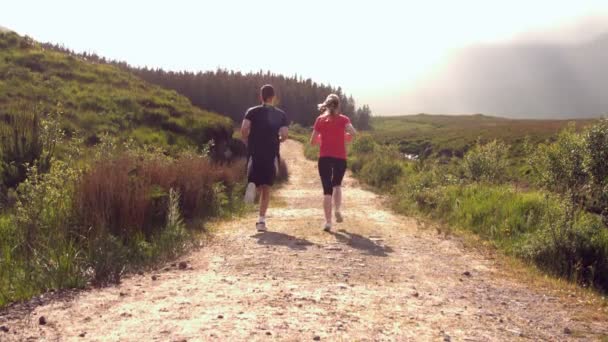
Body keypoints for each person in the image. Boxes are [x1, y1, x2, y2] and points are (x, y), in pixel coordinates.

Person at [241, 84, 289, 232]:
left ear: (261, 97)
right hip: (271, 153)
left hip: (254, 152)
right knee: (267, 187)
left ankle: (252, 183)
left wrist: (247, 140)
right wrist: (279, 139)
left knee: (255, 176)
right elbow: (285, 134)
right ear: (273, 97)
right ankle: (261, 221)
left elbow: (244, 129)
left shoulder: (252, 111)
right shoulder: (281, 115)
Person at [310, 94, 357, 232]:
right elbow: (353, 133)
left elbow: (312, 142)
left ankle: (328, 223)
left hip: (324, 158)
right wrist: (344, 137)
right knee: (337, 185)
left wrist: (322, 139)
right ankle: (337, 209)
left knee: (327, 191)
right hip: (340, 158)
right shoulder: (344, 120)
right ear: (338, 105)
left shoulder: (320, 120)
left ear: (327, 104)